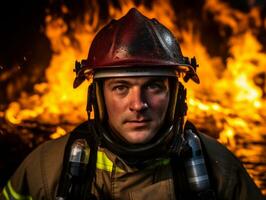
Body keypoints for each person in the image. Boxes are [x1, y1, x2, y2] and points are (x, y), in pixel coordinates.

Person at [0, 8, 264, 200]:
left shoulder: (218, 168)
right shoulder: (46, 169)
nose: (138, 104)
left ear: (177, 97)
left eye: (153, 86)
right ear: (97, 98)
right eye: (121, 88)